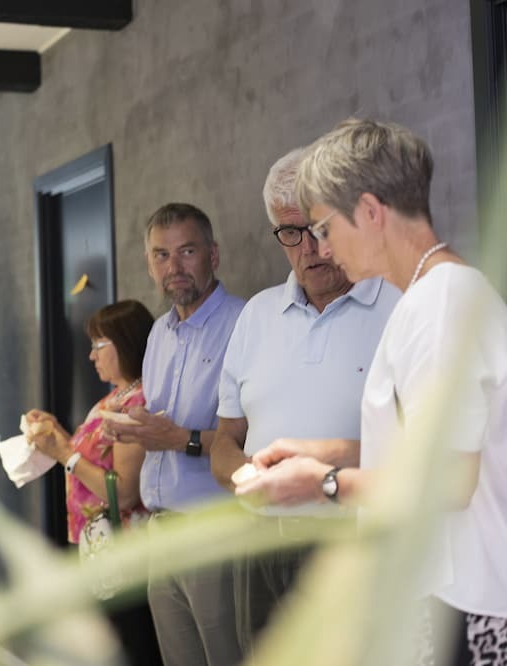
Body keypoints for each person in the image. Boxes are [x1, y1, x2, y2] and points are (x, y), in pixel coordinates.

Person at [236, 119, 507, 664]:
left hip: (459, 612)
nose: (321, 248)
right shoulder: (433, 298)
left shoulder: (441, 305)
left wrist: (322, 484)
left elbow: (448, 480)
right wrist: (326, 452)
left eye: (325, 227)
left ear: (369, 211)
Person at [209, 148, 400, 654]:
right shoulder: (256, 316)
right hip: (261, 543)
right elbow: (226, 438)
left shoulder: (399, 304)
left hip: (355, 544)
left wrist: (323, 473)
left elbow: (427, 451)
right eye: (291, 233)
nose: (309, 249)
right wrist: (247, 477)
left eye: (318, 229)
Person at [105, 203, 245, 666]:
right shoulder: (158, 335)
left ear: (213, 255)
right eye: (161, 255)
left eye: (187, 251)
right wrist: (134, 427)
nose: (174, 267)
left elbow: (257, 439)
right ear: (149, 263)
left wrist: (179, 438)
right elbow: (162, 426)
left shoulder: (246, 324)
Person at [25, 299, 162, 666]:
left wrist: (64, 455)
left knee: (133, 648)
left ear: (126, 343)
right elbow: (88, 456)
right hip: (97, 548)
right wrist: (58, 434)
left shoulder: (137, 403)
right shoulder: (112, 399)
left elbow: (124, 492)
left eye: (99, 345)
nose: (91, 356)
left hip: (125, 553)